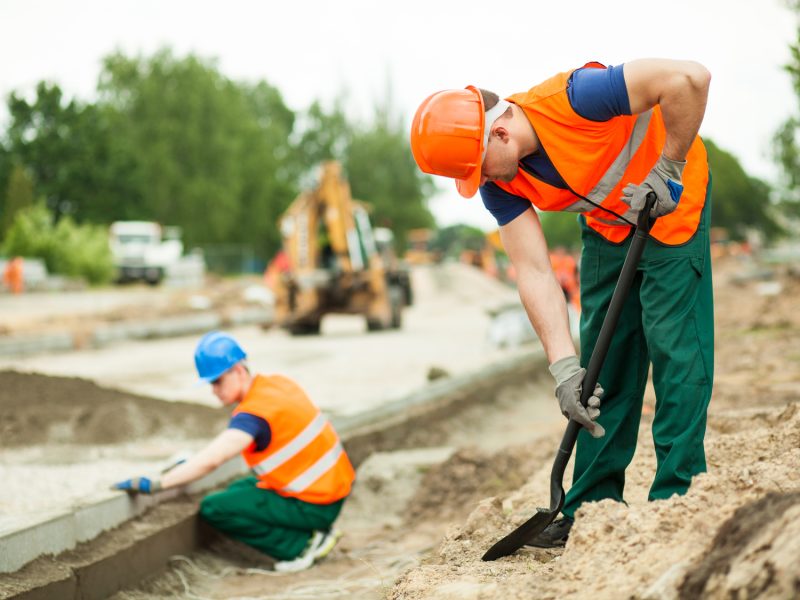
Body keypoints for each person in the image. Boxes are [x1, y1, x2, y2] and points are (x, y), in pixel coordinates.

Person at [410, 59, 713, 548]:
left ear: (501, 133)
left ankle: (679, 500)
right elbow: (532, 270)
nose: (479, 181)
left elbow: (690, 79)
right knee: (600, 368)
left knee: (676, 354)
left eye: (476, 167)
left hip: (674, 208)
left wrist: (668, 168)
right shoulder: (500, 183)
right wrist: (563, 369)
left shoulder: (580, 98)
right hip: (609, 228)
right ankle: (592, 509)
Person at [112, 331, 356, 572]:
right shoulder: (276, 385)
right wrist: (190, 462)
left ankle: (302, 545)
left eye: (217, 381)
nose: (214, 390)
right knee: (239, 489)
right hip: (331, 490)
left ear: (239, 371)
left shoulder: (253, 415)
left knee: (215, 507)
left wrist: (158, 484)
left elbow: (214, 458)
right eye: (211, 383)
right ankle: (311, 532)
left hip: (316, 504)